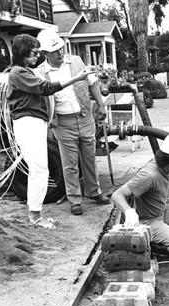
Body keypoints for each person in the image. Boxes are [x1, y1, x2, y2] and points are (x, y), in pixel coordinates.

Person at [7, 33, 93, 229]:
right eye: (33, 53)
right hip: (28, 124)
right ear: (22, 54)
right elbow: (45, 88)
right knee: (39, 170)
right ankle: (35, 216)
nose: (38, 56)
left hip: (36, 123)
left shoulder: (26, 70)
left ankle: (35, 213)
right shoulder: (18, 73)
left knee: (40, 170)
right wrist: (76, 79)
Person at [35, 29, 109, 216]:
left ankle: (94, 192)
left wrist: (101, 105)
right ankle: (74, 199)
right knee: (69, 163)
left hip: (84, 117)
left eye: (61, 48)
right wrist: (49, 120)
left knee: (89, 157)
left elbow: (92, 83)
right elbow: (40, 98)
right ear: (45, 54)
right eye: (55, 51)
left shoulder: (76, 61)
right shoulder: (40, 73)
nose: (60, 53)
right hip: (62, 122)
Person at [111, 133, 169, 257]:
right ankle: (157, 246)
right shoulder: (149, 176)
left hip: (159, 212)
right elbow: (117, 195)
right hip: (148, 222)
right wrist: (129, 212)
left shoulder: (166, 166)